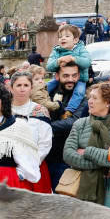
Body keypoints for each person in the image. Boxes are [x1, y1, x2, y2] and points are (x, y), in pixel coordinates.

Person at [63, 82, 110, 210]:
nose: (89, 101)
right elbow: (68, 155)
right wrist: (105, 161)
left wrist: (87, 151)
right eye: (90, 97)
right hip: (81, 193)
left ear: (108, 102)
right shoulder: (80, 124)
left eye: (94, 98)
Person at [9, 71, 54, 193]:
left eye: (26, 85)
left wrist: (29, 166)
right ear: (11, 88)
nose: (22, 89)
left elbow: (45, 143)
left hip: (34, 166)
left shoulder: (39, 110)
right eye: (18, 85)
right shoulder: (3, 110)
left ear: (31, 88)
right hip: (8, 168)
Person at [46, 61, 87, 189]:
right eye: (66, 76)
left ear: (79, 76)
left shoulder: (82, 99)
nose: (70, 79)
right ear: (57, 76)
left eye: (74, 76)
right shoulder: (47, 95)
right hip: (43, 157)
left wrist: (45, 126)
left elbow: (73, 123)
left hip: (65, 160)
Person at [45, 24, 92, 117]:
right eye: (60, 37)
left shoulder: (81, 49)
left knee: (79, 92)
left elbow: (87, 62)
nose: (63, 38)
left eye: (67, 36)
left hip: (80, 79)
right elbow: (49, 66)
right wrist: (58, 61)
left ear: (75, 40)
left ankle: (69, 110)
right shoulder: (56, 51)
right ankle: (39, 99)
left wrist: (72, 58)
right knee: (47, 86)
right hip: (61, 78)